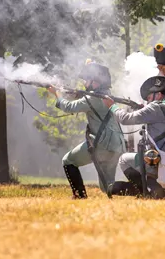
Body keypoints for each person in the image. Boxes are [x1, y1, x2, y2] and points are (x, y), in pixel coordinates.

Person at [106, 75, 165, 199]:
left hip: (158, 163)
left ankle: (149, 191)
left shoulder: (155, 108)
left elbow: (125, 119)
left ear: (159, 95)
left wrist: (112, 106)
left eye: (149, 97)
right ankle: (159, 190)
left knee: (124, 159)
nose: (148, 101)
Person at [48, 61, 125, 199]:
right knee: (107, 186)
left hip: (101, 144)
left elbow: (69, 107)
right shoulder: (108, 94)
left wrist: (57, 94)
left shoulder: (92, 98)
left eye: (87, 80)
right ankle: (139, 190)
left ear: (95, 82)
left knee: (68, 161)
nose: (84, 83)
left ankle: (80, 196)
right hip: (116, 145)